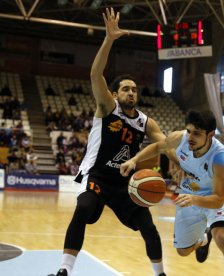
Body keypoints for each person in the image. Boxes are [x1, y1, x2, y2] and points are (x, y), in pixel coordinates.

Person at [53, 8, 170, 276]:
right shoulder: (107, 107)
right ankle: (64, 270)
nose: (131, 92)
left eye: (134, 89)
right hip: (96, 176)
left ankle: (160, 274)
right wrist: (109, 39)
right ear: (115, 94)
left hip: (125, 184)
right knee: (83, 209)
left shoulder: (145, 122)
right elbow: (96, 75)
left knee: (148, 226)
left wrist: (180, 161)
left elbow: (164, 144)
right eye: (126, 89)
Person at [120, 109, 224, 276]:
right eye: (188, 131)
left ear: (210, 135)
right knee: (182, 251)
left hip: (213, 195)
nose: (190, 137)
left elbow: (217, 199)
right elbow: (158, 146)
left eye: (196, 133)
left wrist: (194, 199)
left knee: (222, 237)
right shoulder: (179, 138)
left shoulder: (219, 156)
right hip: (189, 192)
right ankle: (203, 239)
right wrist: (134, 160)